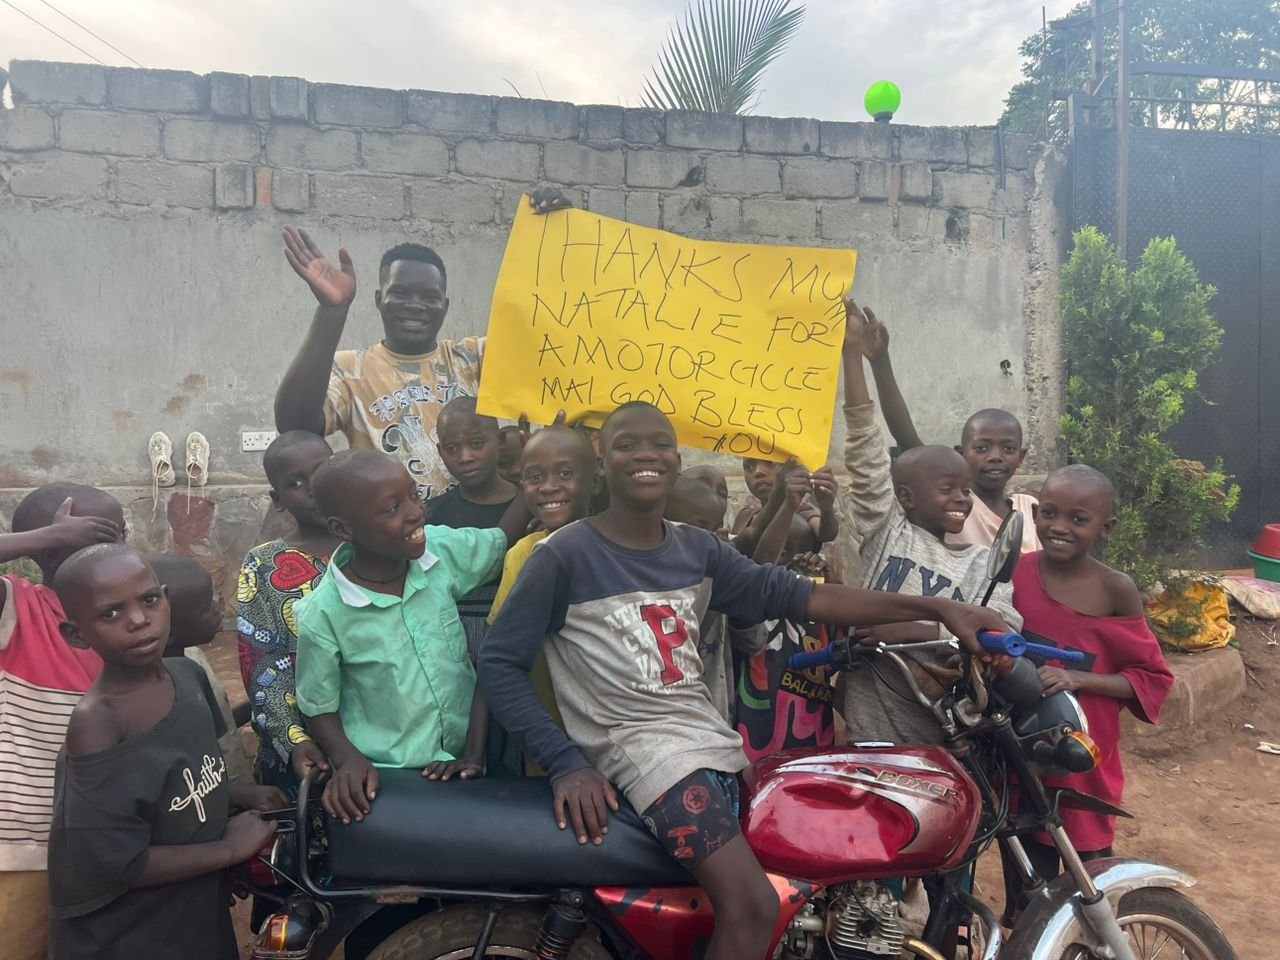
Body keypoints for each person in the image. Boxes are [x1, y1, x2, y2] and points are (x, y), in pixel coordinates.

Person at [479, 400, 1010, 960]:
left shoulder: (697, 548)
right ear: (602, 461)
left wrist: (939, 609)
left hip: (711, 747)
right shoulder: (564, 555)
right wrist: (566, 761)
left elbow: (801, 593)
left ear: (676, 459)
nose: (645, 455)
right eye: (626, 444)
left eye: (660, 443)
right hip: (647, 756)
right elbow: (498, 661)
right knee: (753, 907)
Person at [46, 544, 284, 960]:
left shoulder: (187, 677)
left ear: (166, 598)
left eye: (150, 600)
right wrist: (229, 849)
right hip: (126, 934)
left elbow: (172, 785)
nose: (139, 620)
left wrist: (233, 797)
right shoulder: (99, 723)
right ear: (77, 634)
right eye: (111, 613)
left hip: (192, 913)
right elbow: (110, 862)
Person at [275, 190, 572, 501]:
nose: (415, 305)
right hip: (391, 534)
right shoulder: (351, 370)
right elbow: (295, 426)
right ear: (379, 300)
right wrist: (332, 312)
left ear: (444, 306)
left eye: (429, 297)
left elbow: (553, 340)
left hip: (478, 531)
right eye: (400, 293)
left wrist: (557, 240)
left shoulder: (474, 357)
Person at [294, 450, 531, 825]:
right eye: (392, 509)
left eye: (414, 496)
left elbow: (500, 540)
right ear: (343, 529)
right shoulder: (323, 614)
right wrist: (347, 760)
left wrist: (530, 478)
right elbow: (318, 705)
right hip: (392, 779)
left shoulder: (437, 552)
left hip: (469, 760)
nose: (416, 512)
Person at [835, 298, 1023, 746]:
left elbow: (1005, 628)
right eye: (949, 489)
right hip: (872, 734)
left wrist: (916, 631)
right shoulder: (887, 532)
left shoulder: (983, 563)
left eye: (966, 489)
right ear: (905, 497)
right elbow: (865, 444)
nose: (963, 499)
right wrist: (851, 354)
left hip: (953, 741)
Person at [1001, 464, 1174, 923]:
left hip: (1085, 764)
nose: (1060, 527)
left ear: (1105, 528)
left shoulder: (1114, 589)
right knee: (1027, 898)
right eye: (1051, 514)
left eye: (1078, 519)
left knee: (1092, 887)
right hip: (1024, 760)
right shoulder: (1015, 575)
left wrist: (1078, 679)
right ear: (1035, 513)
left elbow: (1152, 677)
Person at [0, 484, 122, 960]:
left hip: (98, 850)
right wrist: (43, 537)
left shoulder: (127, 626)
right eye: (100, 538)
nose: (119, 553)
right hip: (23, 849)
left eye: (121, 536)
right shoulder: (18, 611)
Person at [853, 302, 1039, 554]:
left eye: (1008, 448)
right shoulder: (954, 504)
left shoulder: (1031, 509)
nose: (995, 456)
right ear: (961, 453)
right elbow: (907, 438)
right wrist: (880, 361)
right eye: (982, 447)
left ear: (1021, 457)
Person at [488, 424, 598, 773]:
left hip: (622, 741)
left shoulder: (616, 547)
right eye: (535, 476)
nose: (549, 486)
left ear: (595, 481)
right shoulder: (523, 554)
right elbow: (497, 657)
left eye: (565, 473)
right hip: (551, 743)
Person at [426, 397, 521, 774]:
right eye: (452, 448)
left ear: (499, 441)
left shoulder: (532, 504)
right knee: (460, 736)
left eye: (476, 443)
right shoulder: (436, 514)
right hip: (455, 642)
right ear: (440, 453)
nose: (464, 456)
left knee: (511, 740)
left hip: (514, 637)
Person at [237, 431, 337, 791]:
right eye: (296, 483)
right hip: (306, 747)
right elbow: (262, 662)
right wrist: (292, 739)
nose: (313, 488)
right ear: (277, 499)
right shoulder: (263, 564)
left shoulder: (381, 543)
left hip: (395, 740)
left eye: (322, 471)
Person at [735, 474, 840, 761]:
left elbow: (844, 629)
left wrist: (830, 578)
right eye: (781, 551)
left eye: (797, 553)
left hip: (814, 731)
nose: (788, 560)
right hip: (756, 733)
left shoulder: (817, 606)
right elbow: (761, 573)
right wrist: (787, 507)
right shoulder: (752, 606)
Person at [664, 476, 766, 726]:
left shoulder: (718, 573)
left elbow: (754, 641)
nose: (711, 536)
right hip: (673, 722)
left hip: (716, 719)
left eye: (717, 526)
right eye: (700, 526)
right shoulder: (659, 584)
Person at [150, 555, 253, 784]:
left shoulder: (194, 656)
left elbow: (213, 728)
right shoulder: (163, 693)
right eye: (206, 606)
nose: (218, 609)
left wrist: (256, 706)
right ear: (169, 630)